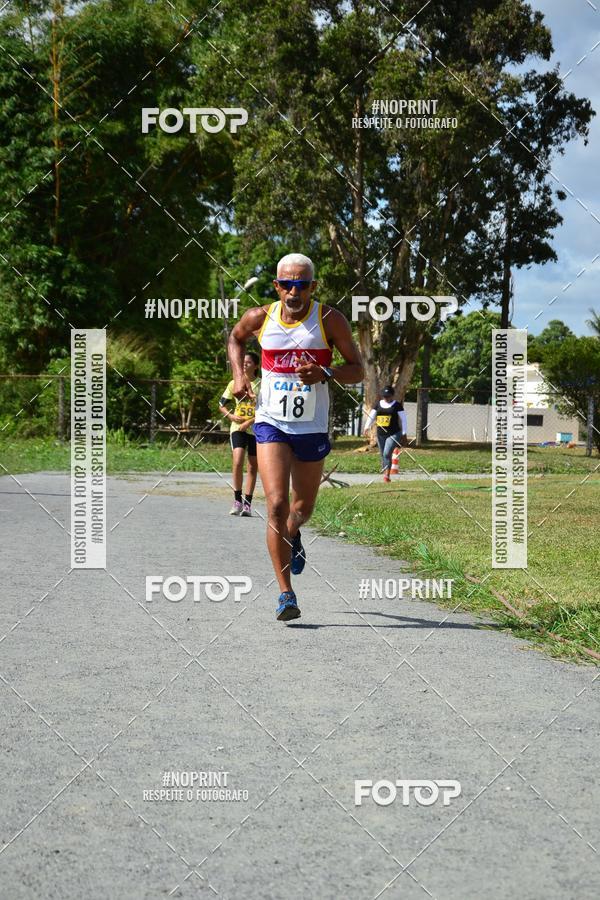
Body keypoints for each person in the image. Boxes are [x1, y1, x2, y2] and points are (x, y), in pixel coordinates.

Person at [228, 253, 363, 621]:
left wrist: (326, 372)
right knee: (275, 505)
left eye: (301, 284)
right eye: (287, 283)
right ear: (277, 286)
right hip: (271, 423)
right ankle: (286, 594)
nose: (293, 291)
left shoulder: (329, 320)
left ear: (312, 287)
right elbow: (235, 339)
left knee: (300, 510)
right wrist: (240, 377)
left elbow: (358, 370)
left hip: (311, 427)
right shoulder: (260, 318)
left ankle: (293, 533)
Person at [218, 352, 261, 516]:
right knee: (237, 461)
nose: (245, 365)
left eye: (249, 362)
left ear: (256, 366)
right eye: (243, 362)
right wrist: (230, 416)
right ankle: (237, 500)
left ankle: (248, 504)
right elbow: (221, 404)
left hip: (255, 430)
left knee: (252, 465)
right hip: (237, 428)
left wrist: (248, 422)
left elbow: (266, 409)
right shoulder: (234, 384)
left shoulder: (262, 385)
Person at [363, 385, 407, 482]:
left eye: (388, 396)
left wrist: (404, 432)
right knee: (383, 454)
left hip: (394, 433)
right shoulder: (378, 404)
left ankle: (387, 476)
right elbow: (372, 416)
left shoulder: (397, 405)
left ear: (392, 396)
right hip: (381, 434)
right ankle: (385, 472)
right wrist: (366, 427)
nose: (386, 398)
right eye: (385, 396)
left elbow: (404, 420)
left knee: (387, 453)